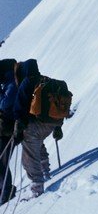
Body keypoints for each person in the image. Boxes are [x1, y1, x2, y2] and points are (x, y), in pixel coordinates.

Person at [13, 59, 63, 198]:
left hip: (36, 126)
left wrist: (18, 126)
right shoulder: (46, 80)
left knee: (28, 156)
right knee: (38, 145)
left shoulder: (27, 82)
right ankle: (46, 172)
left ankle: (37, 187)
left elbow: (19, 106)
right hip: (51, 125)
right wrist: (58, 127)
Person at [0, 58, 17, 204]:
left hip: (9, 130)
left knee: (2, 162)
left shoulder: (11, 83)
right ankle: (4, 190)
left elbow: (5, 104)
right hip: (5, 129)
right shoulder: (8, 83)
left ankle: (7, 191)